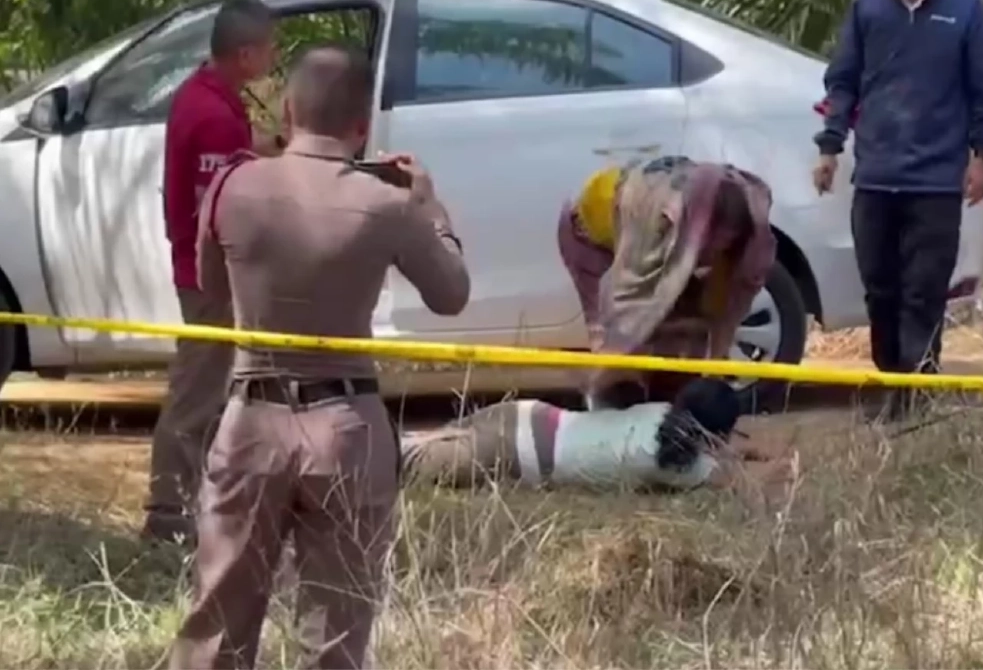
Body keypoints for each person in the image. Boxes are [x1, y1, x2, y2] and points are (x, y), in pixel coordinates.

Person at [167, 46, 470, 670]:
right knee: (337, 637)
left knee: (216, 627)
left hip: (251, 422)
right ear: (363, 128)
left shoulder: (233, 185)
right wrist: (431, 211)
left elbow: (209, 286)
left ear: (286, 109)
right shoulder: (389, 205)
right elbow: (452, 295)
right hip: (347, 430)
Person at [811, 0, 983, 422]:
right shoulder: (868, 3)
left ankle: (916, 392)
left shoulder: (965, 6)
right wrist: (831, 147)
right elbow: (844, 78)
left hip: (937, 179)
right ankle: (890, 383)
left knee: (924, 290)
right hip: (876, 173)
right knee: (881, 287)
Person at [144, 0, 278, 544]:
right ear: (246, 54)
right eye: (271, 49)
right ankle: (167, 514)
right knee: (197, 391)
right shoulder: (214, 117)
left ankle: (195, 502)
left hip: (204, 270)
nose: (274, 57)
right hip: (210, 276)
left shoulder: (206, 97)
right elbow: (223, 211)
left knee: (212, 386)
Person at [557, 156, 775, 410]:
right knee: (630, 340)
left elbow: (728, 303)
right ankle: (611, 416)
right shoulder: (659, 219)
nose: (718, 248)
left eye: (728, 240)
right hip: (592, 234)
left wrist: (714, 365)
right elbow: (628, 305)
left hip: (661, 235)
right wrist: (613, 362)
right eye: (717, 239)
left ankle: (671, 416)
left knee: (684, 328)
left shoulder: (728, 227)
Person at [402, 378, 784, 491]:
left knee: (417, 444)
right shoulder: (676, 465)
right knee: (395, 462)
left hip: (529, 415)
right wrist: (781, 463)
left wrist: (744, 450)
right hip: (515, 453)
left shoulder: (662, 415)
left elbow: (718, 451)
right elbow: (738, 480)